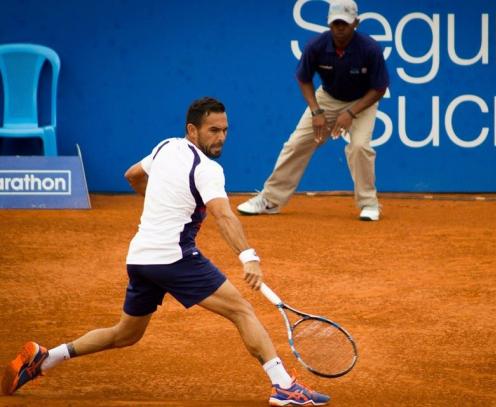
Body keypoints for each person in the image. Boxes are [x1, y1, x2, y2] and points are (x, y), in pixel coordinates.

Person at [1, 97, 330, 406]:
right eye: (213, 130)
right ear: (192, 130)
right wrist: (249, 257)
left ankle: (46, 357)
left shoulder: (165, 146)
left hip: (141, 257)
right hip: (174, 258)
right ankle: (284, 386)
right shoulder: (207, 169)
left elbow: (132, 175)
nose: (221, 137)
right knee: (242, 311)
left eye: (225, 130)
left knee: (125, 334)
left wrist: (162, 205)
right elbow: (223, 215)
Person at [237, 0, 389, 221]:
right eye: (335, 23)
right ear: (329, 23)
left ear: (356, 23)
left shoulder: (370, 49)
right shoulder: (316, 46)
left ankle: (369, 203)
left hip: (361, 102)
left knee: (359, 147)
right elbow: (304, 78)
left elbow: (379, 88)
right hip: (326, 99)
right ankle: (270, 200)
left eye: (344, 24)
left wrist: (351, 113)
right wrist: (316, 111)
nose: (339, 28)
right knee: (296, 144)